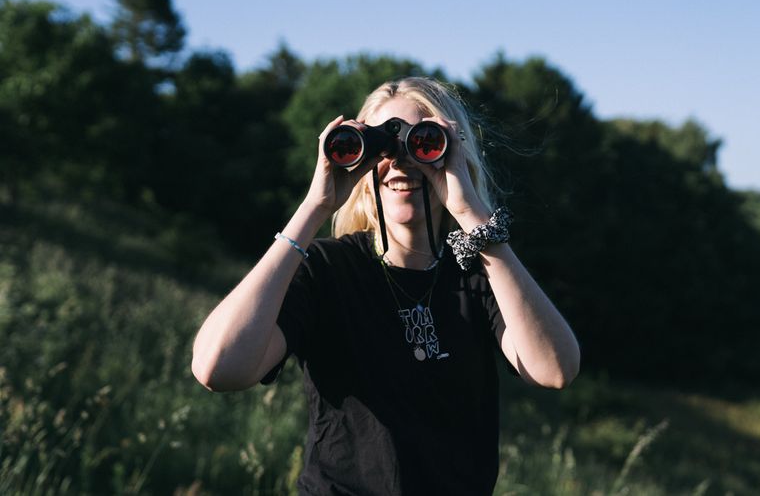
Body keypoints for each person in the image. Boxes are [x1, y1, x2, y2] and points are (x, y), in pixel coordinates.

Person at [191, 77, 580, 495]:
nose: (400, 163)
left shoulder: (480, 273)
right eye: (379, 148)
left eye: (424, 144)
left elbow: (554, 369)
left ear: (453, 153)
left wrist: (472, 215)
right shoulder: (326, 269)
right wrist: (314, 208)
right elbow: (218, 368)